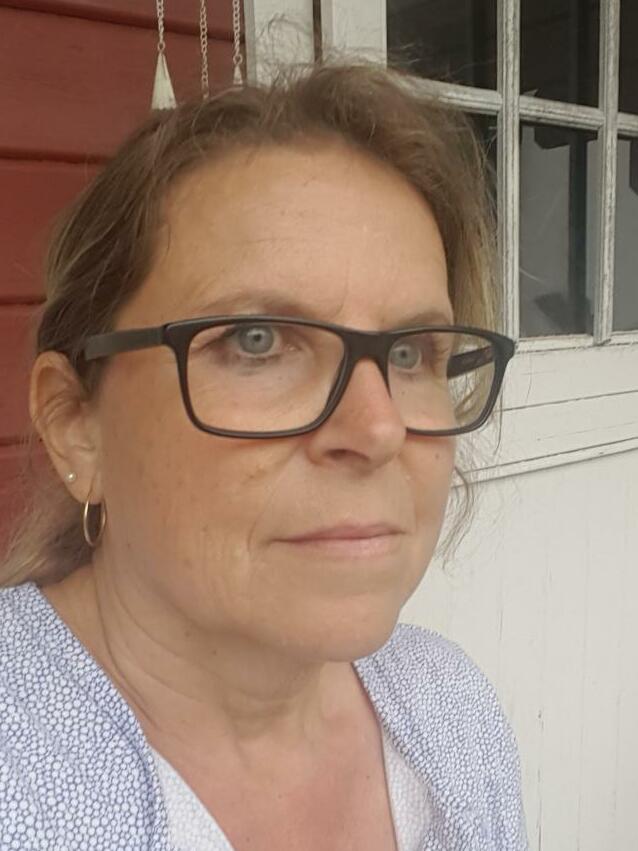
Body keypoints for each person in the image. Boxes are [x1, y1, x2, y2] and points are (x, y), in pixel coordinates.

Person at [0, 61, 528, 850]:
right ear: (78, 422)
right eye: (257, 341)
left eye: (412, 351)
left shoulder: (454, 712)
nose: (378, 429)